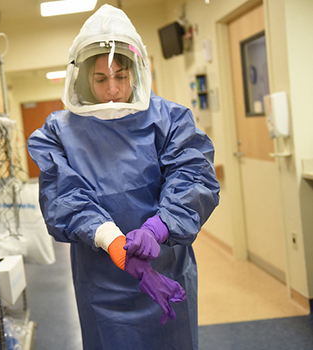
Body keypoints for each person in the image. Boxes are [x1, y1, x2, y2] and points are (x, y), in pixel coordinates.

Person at [27, 4, 220, 350]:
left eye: (120, 77)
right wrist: (113, 242)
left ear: (135, 73)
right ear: (84, 77)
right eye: (100, 79)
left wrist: (158, 227)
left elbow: (193, 178)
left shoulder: (170, 120)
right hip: (101, 278)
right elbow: (63, 197)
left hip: (165, 267)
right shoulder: (60, 131)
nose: (112, 89)